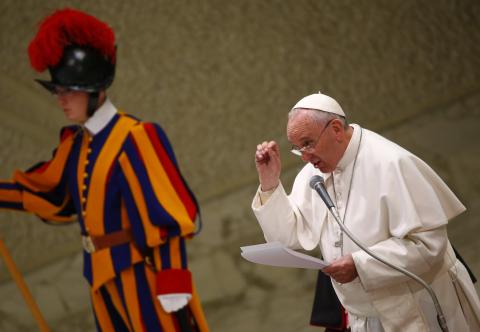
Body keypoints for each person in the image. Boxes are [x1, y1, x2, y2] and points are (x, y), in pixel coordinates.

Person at [0, 8, 208, 331]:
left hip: (138, 274)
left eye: (68, 90)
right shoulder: (75, 145)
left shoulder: (135, 137)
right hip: (99, 277)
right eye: (58, 91)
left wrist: (173, 280)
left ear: (94, 88)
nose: (61, 99)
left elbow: (167, 218)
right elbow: (48, 192)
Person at [252, 91, 480, 331]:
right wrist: (270, 183)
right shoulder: (313, 174)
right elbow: (286, 238)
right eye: (298, 149)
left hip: (420, 308)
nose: (305, 157)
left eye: (308, 143)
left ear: (336, 129)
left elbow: (428, 245)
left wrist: (360, 265)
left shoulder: (391, 163)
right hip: (366, 317)